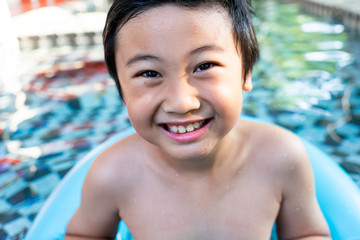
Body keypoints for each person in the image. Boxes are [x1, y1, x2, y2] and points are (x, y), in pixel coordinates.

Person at [65, 0, 331, 239]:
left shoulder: (281, 158)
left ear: (246, 72)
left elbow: (307, 233)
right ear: (122, 90)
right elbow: (84, 234)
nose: (181, 103)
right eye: (149, 73)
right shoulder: (113, 174)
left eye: (204, 66)